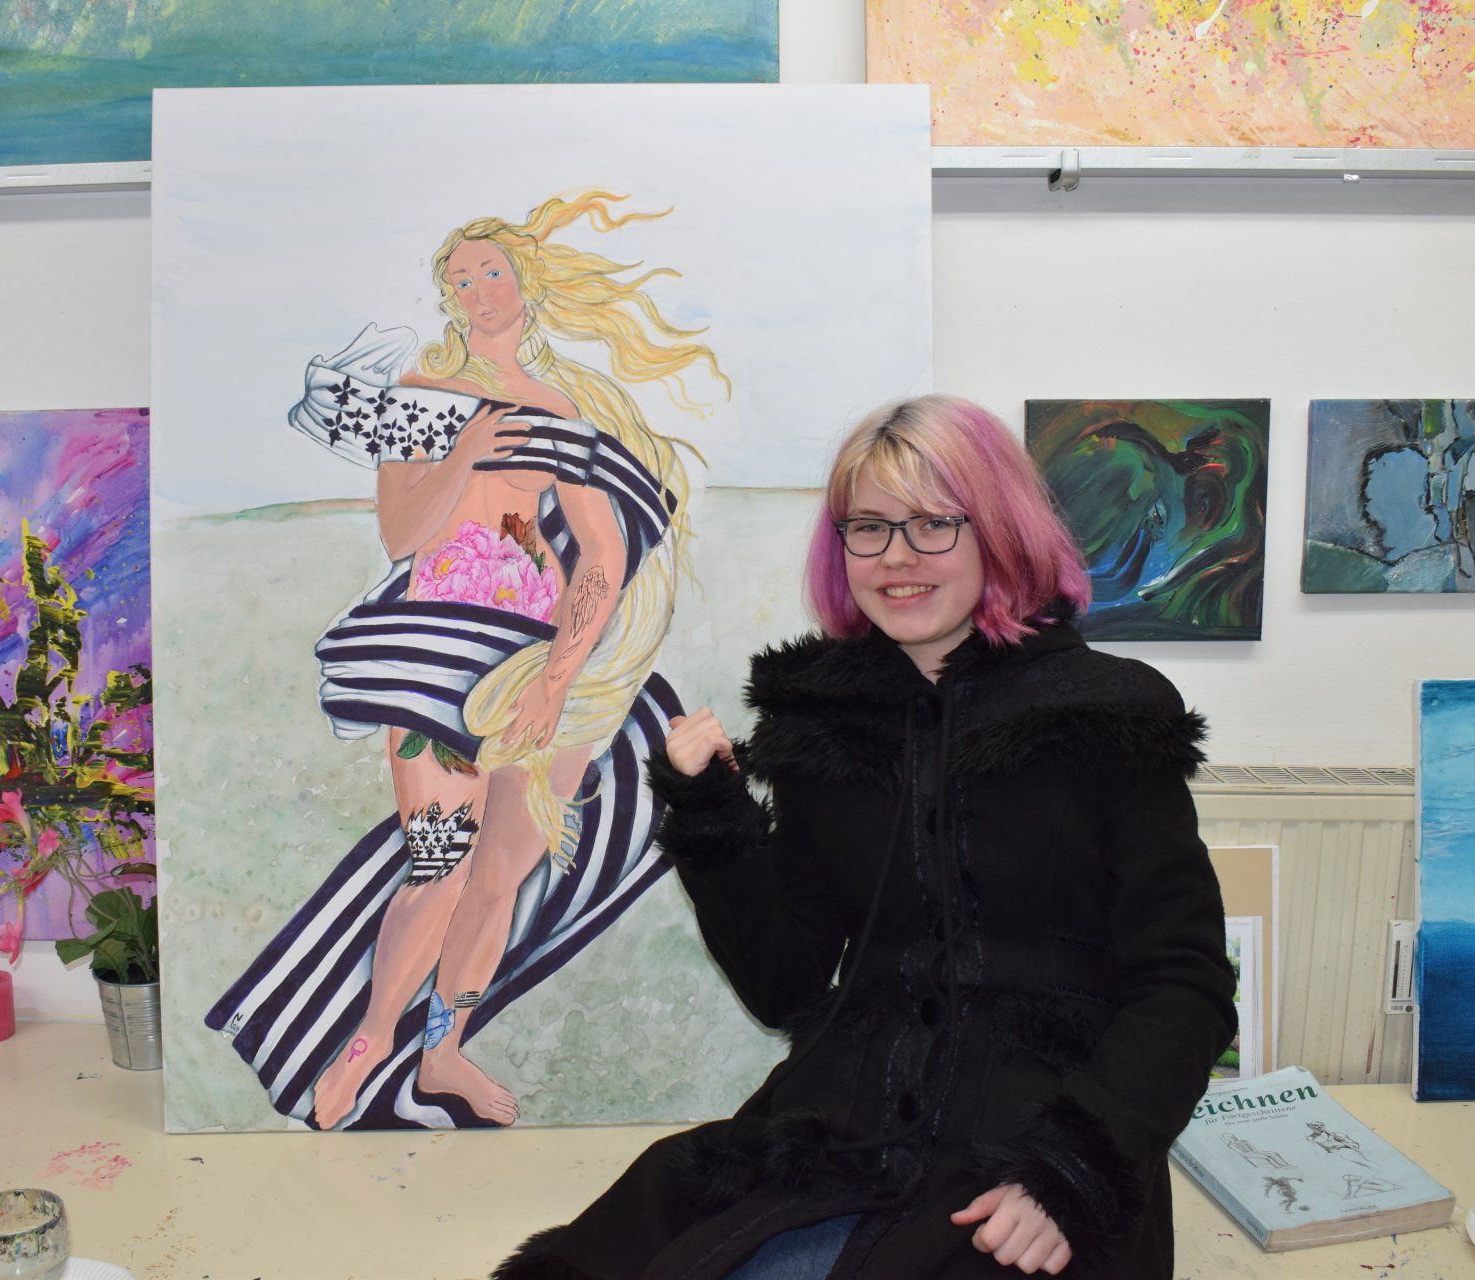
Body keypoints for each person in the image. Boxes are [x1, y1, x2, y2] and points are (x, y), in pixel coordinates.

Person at [496, 395, 1237, 1278]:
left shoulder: (1108, 712)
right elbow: (785, 985)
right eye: (870, 528)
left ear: (1000, 530)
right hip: (843, 1130)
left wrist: (1070, 1176)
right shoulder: (824, 720)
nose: (896, 557)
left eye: (933, 524)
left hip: (1041, 1153)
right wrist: (714, 817)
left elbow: (1185, 985)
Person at [205, 191, 726, 1130]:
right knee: (437, 863)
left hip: (541, 663)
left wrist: (558, 679)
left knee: (500, 877)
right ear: (447, 298)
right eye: (460, 279)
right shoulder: (423, 395)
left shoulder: (562, 407)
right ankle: (369, 1043)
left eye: (491, 271)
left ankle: (442, 1054)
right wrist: (466, 451)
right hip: (438, 657)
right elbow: (403, 535)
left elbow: (602, 556)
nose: (478, 289)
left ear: (525, 282)